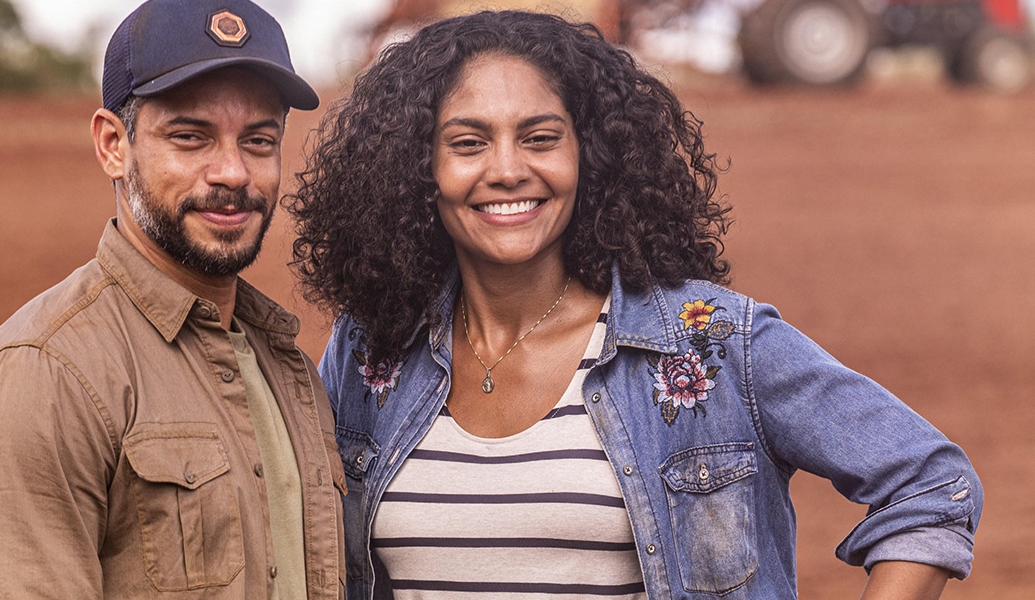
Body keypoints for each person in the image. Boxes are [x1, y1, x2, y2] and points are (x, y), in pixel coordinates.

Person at [288, 10, 981, 600]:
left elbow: (930, 483)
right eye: (467, 143)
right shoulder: (370, 350)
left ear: (592, 156)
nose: (506, 169)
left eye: (540, 138)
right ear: (420, 171)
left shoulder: (709, 344)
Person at [0, 1, 345, 597]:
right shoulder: (43, 377)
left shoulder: (293, 372)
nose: (232, 172)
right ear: (112, 145)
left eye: (258, 140)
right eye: (190, 136)